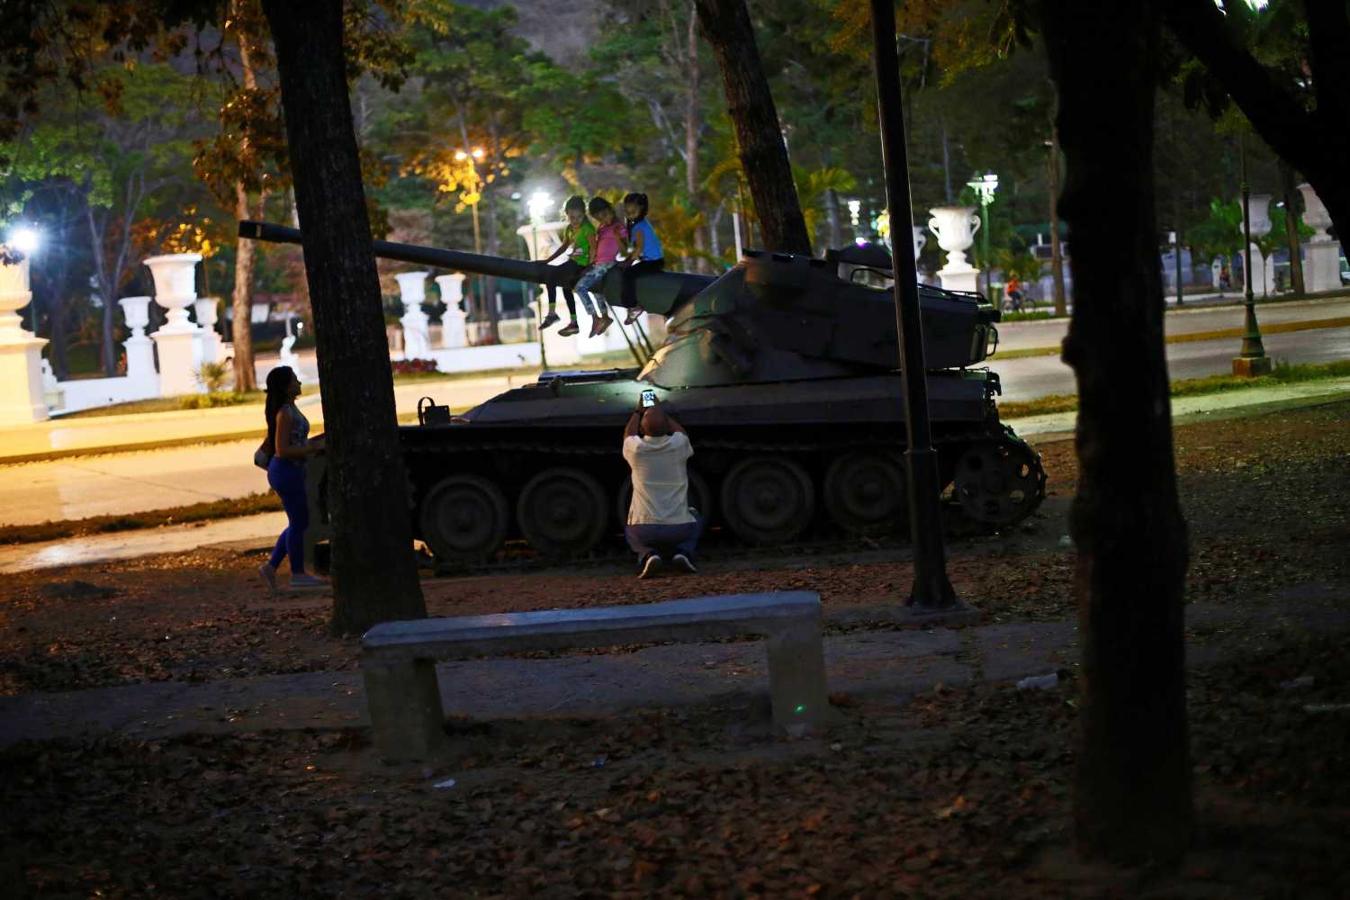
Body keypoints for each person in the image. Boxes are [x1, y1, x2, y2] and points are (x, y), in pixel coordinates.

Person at [257, 366, 325, 592]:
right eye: (295, 380)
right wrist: (311, 449)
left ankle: (271, 566)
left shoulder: (291, 409)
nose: (300, 383)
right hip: (286, 471)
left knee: (299, 521)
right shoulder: (285, 412)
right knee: (299, 523)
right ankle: (297, 574)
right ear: (286, 387)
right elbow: (282, 449)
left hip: (292, 471)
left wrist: (312, 445)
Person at [622, 395, 701, 578]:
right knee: (696, 516)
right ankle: (684, 552)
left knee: (630, 526)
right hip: (679, 529)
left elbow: (628, 435)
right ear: (667, 427)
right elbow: (682, 433)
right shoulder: (679, 444)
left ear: (642, 428)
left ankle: (647, 554)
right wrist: (662, 412)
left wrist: (638, 412)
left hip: (644, 530)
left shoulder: (636, 450)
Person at [540, 195, 610, 337]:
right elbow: (564, 247)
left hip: (580, 264)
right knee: (566, 289)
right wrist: (547, 260)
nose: (575, 220)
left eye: (579, 217)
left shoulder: (587, 228)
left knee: (551, 276)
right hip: (573, 261)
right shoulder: (569, 229)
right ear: (567, 215)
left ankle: (552, 313)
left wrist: (590, 266)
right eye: (572, 217)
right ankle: (574, 323)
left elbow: (593, 248)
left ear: (584, 215)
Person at [571, 196, 627, 335]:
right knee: (595, 289)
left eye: (604, 215)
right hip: (598, 262)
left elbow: (626, 249)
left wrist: (618, 238)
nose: (603, 219)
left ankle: (595, 317)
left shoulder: (618, 226)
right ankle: (605, 316)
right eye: (598, 218)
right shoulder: (602, 227)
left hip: (607, 263)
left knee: (580, 288)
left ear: (610, 210)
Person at [617, 192, 665, 325]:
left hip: (653, 263)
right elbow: (631, 248)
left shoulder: (639, 227)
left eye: (633, 211)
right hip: (649, 261)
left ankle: (633, 307)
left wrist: (628, 263)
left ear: (641, 209)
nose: (629, 213)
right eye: (627, 210)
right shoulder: (636, 224)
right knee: (627, 271)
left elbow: (638, 248)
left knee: (628, 274)